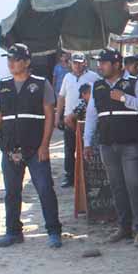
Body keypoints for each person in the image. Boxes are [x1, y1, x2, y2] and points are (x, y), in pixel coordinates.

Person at [0, 44, 62, 248]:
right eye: (9, 59)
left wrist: (45, 145)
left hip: (36, 149)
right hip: (11, 149)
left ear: (27, 62)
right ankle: (13, 232)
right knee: (11, 192)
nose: (11, 63)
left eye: (16, 59)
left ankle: (54, 232)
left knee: (45, 189)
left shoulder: (41, 84)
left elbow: (49, 115)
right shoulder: (3, 85)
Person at [84, 48, 138, 247]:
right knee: (117, 188)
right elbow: (91, 116)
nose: (100, 66)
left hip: (130, 144)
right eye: (100, 63)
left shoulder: (134, 82)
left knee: (134, 186)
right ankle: (124, 227)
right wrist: (87, 142)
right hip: (107, 145)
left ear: (116, 64)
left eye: (104, 63)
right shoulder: (97, 86)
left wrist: (124, 98)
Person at [56, 52, 101, 188]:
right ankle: (70, 176)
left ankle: (88, 176)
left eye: (79, 62)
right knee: (69, 149)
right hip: (70, 118)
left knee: (87, 147)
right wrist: (58, 116)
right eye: (74, 62)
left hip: (88, 118)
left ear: (84, 63)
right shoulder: (67, 77)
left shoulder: (93, 77)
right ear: (71, 63)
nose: (77, 65)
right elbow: (61, 97)